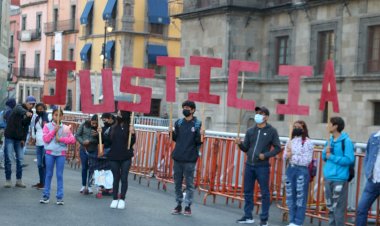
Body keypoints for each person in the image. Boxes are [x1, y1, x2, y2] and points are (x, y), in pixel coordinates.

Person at [235, 106, 281, 225]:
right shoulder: (250, 131)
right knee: (248, 191)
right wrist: (240, 144)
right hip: (250, 165)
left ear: (266, 117)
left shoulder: (272, 131)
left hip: (262, 166)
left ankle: (264, 219)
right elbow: (246, 148)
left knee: (265, 192)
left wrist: (265, 155)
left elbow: (277, 148)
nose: (258, 115)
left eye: (260, 113)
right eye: (257, 113)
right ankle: (248, 216)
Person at [170, 100, 203, 216]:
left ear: (193, 110)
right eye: (184, 107)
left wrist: (201, 135)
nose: (185, 109)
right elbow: (175, 138)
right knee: (177, 183)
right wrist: (171, 133)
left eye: (188, 108)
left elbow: (198, 142)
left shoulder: (197, 124)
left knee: (189, 184)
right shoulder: (178, 123)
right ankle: (178, 204)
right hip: (178, 157)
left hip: (190, 159)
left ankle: (188, 206)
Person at [322, 116, 354, 226]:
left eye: (329, 123)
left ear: (335, 126)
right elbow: (324, 157)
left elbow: (349, 159)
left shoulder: (346, 141)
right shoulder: (329, 140)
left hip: (339, 179)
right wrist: (325, 152)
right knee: (330, 208)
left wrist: (331, 156)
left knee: (338, 210)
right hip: (328, 178)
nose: (328, 126)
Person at [40, 108, 75, 205]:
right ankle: (45, 196)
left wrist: (61, 139)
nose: (57, 117)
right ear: (53, 115)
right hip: (50, 153)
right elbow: (45, 139)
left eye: (59, 115)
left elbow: (72, 140)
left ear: (62, 116)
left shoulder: (65, 127)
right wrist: (53, 131)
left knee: (59, 175)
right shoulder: (47, 126)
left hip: (61, 154)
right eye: (55, 114)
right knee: (48, 174)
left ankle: (60, 197)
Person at [284, 120, 314, 226]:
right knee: (290, 196)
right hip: (290, 169)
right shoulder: (290, 141)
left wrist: (292, 155)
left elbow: (306, 160)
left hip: (301, 170)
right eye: (294, 126)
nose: (296, 128)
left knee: (300, 197)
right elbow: (285, 157)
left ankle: (298, 221)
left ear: (303, 129)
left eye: (298, 127)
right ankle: (292, 220)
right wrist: (287, 155)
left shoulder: (308, 142)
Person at [104, 110, 135, 209]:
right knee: (116, 178)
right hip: (114, 156)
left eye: (120, 113)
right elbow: (108, 142)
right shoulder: (112, 128)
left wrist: (133, 134)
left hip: (126, 156)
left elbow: (131, 143)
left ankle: (122, 199)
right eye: (118, 113)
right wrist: (101, 134)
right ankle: (114, 198)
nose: (118, 115)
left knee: (124, 177)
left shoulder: (129, 128)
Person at [3, 96, 35, 188]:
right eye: (30, 103)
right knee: (8, 158)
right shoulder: (18, 107)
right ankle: (8, 180)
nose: (31, 105)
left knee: (20, 159)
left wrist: (23, 139)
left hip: (19, 138)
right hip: (10, 136)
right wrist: (26, 112)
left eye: (33, 104)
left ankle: (19, 180)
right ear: (26, 102)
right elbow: (19, 109)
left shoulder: (31, 112)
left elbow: (26, 127)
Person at [356, 130, 380, 226]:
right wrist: (367, 171)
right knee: (361, 209)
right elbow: (368, 155)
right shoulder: (374, 137)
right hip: (372, 181)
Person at [75, 115, 99, 194]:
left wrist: (97, 135)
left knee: (92, 168)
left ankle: (89, 186)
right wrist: (83, 142)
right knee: (84, 167)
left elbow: (101, 140)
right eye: (93, 123)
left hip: (93, 150)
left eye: (96, 123)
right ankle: (83, 185)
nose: (94, 125)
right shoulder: (84, 124)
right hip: (84, 149)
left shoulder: (99, 128)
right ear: (90, 120)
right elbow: (77, 135)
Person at [31, 103, 49, 189]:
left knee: (43, 164)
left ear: (44, 109)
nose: (39, 110)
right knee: (39, 164)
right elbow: (34, 128)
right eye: (38, 109)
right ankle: (41, 182)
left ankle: (45, 183)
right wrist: (33, 137)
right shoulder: (36, 118)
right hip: (38, 143)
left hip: (45, 144)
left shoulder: (48, 117)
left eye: (41, 109)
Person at [0, 98, 16, 169]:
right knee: (4, 148)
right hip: (6, 131)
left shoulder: (3, 111)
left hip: (2, 130)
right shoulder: (10, 111)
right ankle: (1, 163)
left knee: (4, 147)